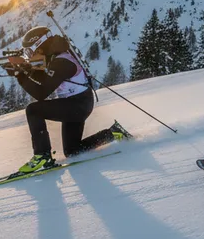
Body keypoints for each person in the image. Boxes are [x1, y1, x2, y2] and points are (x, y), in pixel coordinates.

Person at [7, 26, 131, 174]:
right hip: (77, 103)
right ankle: (113, 133)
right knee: (72, 150)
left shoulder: (62, 62)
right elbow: (43, 78)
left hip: (76, 105)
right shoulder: (55, 56)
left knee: (33, 110)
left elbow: (41, 93)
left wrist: (20, 75)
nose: (30, 55)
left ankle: (42, 155)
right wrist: (24, 69)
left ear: (40, 45)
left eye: (31, 50)